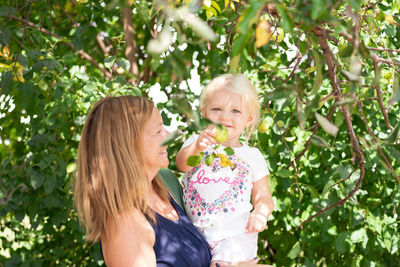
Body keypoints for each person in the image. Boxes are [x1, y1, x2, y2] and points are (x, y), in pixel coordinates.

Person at [74, 95, 212, 267]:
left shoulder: (166, 184)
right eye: (158, 131)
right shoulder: (124, 225)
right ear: (128, 145)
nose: (169, 135)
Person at [176, 74, 274, 266]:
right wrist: (198, 147)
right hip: (198, 235)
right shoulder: (196, 143)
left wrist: (260, 212)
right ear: (204, 113)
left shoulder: (251, 156)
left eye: (236, 111)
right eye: (217, 109)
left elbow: (264, 197)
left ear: (249, 119)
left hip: (235, 236)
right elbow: (182, 164)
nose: (225, 117)